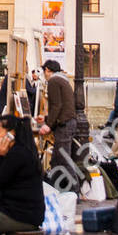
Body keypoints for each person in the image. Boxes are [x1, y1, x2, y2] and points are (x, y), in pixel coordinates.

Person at [37, 60, 78, 191]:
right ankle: (54, 188)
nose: (44, 74)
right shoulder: (63, 80)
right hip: (68, 122)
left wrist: (48, 125)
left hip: (64, 125)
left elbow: (56, 106)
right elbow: (61, 106)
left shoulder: (54, 81)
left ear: (48, 70)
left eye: (44, 71)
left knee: (63, 158)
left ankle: (74, 190)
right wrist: (46, 118)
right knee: (56, 159)